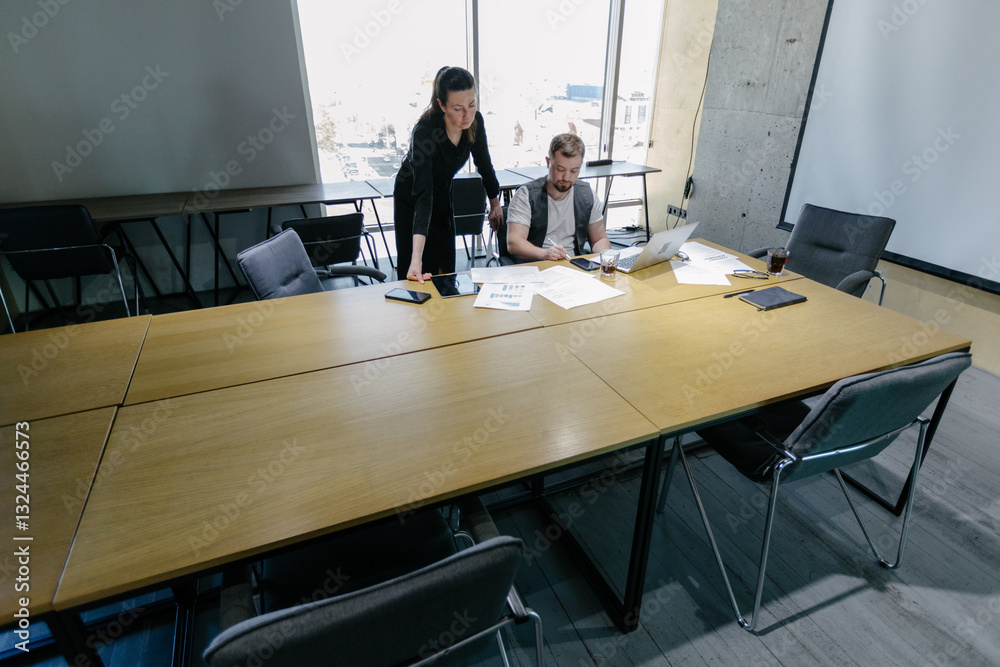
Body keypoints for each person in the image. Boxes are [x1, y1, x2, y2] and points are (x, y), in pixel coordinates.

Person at [393, 66, 503, 282]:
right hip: (413, 196)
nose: (467, 115)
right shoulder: (425, 133)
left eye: (472, 105)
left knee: (445, 262)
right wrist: (416, 258)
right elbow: (424, 198)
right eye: (458, 109)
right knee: (419, 268)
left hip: (442, 191)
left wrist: (495, 203)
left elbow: (484, 165)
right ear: (442, 105)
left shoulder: (476, 123)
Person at [505, 133, 611, 262]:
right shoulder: (526, 195)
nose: (566, 177)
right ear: (548, 162)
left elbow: (599, 239)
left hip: (574, 265)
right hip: (537, 265)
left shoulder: (587, 195)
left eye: (574, 171)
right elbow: (514, 243)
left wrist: (606, 258)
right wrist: (544, 254)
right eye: (560, 169)